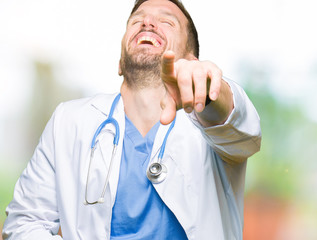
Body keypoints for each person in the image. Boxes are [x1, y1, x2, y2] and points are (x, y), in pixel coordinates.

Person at [2, 0, 261, 239]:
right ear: (119, 62)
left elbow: (243, 133)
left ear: (191, 60)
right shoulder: (69, 122)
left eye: (167, 21)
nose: (148, 23)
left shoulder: (212, 124)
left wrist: (209, 91)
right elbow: (23, 224)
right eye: (137, 21)